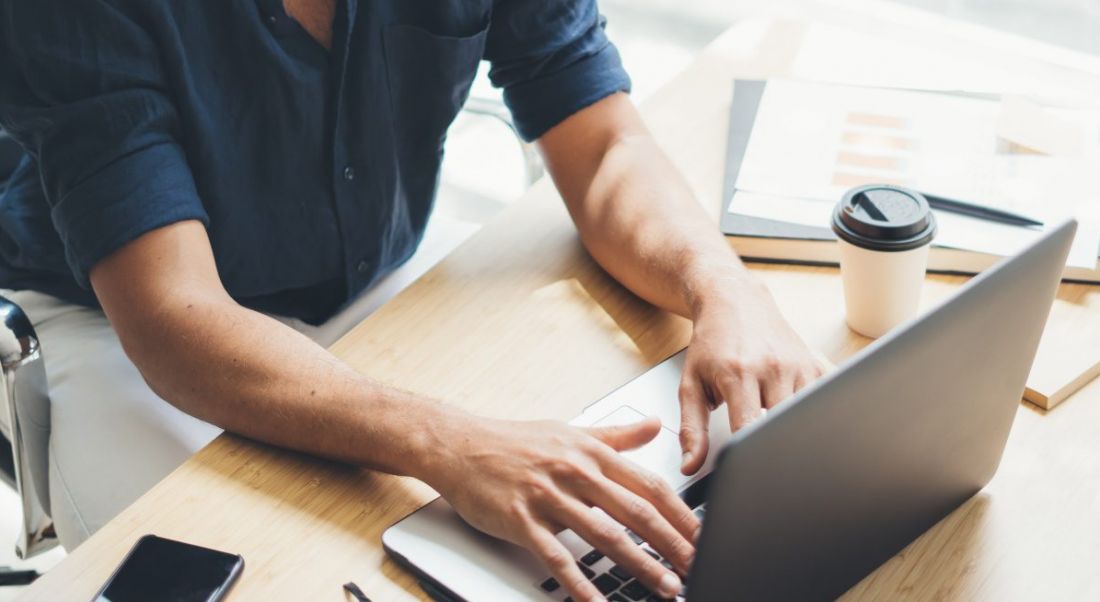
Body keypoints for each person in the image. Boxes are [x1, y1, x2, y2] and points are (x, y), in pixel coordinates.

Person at [0, 1, 823, 600]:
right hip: (124, 324)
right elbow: (174, 316)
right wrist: (452, 445)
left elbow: (604, 144)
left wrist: (721, 286)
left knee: (543, 541)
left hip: (378, 269)